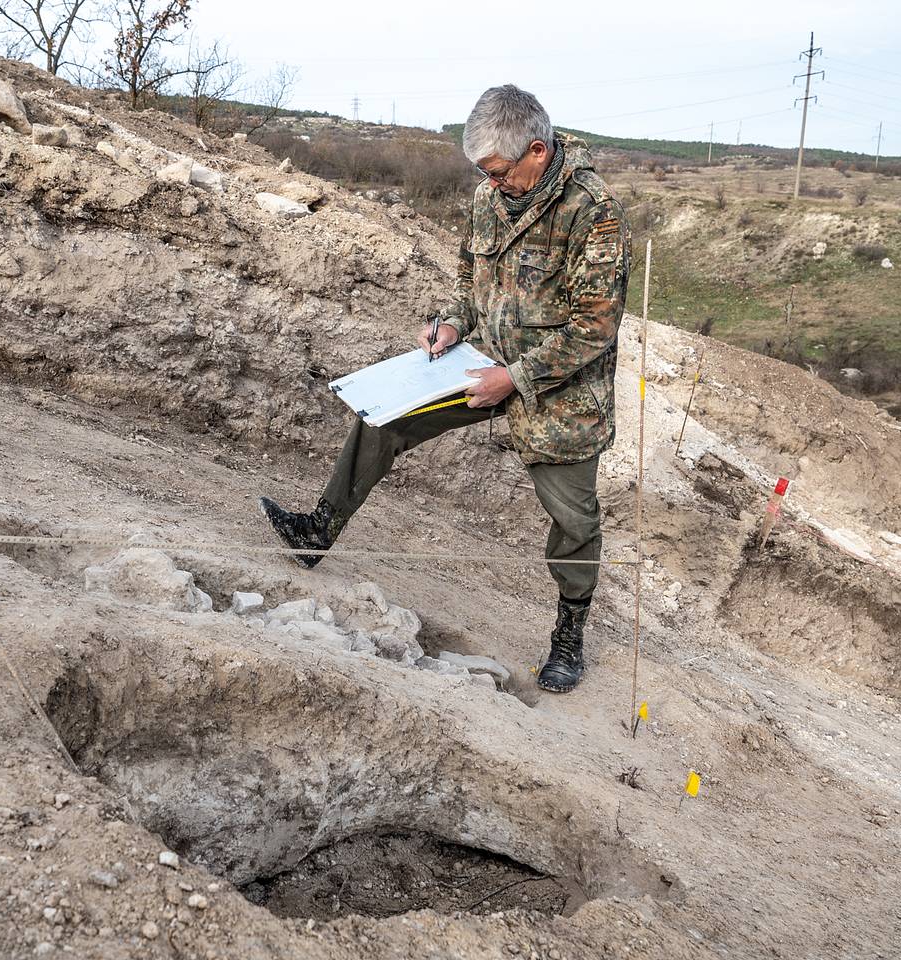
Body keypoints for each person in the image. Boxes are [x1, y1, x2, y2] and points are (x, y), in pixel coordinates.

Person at [259, 84, 630, 693]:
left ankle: (569, 633)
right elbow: (469, 279)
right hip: (479, 360)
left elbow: (595, 328)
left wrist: (513, 378)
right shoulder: (489, 196)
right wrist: (454, 322)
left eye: (500, 171)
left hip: (558, 387)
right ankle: (316, 532)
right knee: (384, 414)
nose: (493, 183)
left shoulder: (595, 209)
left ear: (537, 151)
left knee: (573, 518)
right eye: (484, 173)